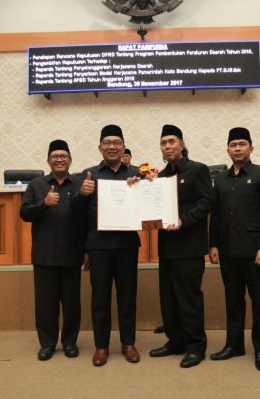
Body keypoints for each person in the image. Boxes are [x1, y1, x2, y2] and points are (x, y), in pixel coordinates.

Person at [208, 127, 260, 372]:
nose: (237, 148)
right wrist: (213, 244)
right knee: (233, 300)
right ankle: (234, 345)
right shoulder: (221, 179)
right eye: (233, 145)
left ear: (251, 148)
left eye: (242, 144)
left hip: (254, 251)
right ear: (227, 149)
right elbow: (215, 215)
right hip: (227, 250)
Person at [149, 124, 213, 368]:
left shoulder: (198, 170)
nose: (167, 147)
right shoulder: (160, 177)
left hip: (190, 246)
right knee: (169, 298)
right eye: (163, 143)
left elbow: (207, 201)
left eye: (171, 142)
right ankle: (175, 341)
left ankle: (196, 346)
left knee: (189, 298)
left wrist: (184, 220)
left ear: (182, 144)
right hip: (167, 247)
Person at [78, 124, 141, 367]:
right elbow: (79, 215)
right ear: (100, 147)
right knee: (100, 298)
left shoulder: (136, 173)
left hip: (127, 245)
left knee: (128, 297)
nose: (112, 146)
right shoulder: (88, 175)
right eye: (107, 143)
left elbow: (148, 207)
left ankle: (128, 343)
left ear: (123, 147)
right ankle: (101, 346)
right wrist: (81, 195)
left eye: (116, 142)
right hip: (99, 246)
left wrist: (146, 186)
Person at [19, 139, 87, 361]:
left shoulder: (79, 183)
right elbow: (25, 213)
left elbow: (86, 216)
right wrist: (44, 204)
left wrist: (87, 251)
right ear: (48, 160)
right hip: (44, 255)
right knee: (45, 304)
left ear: (70, 160)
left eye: (64, 156)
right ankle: (47, 344)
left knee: (71, 303)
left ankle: (69, 343)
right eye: (55, 157)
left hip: (72, 253)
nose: (59, 160)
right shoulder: (36, 185)